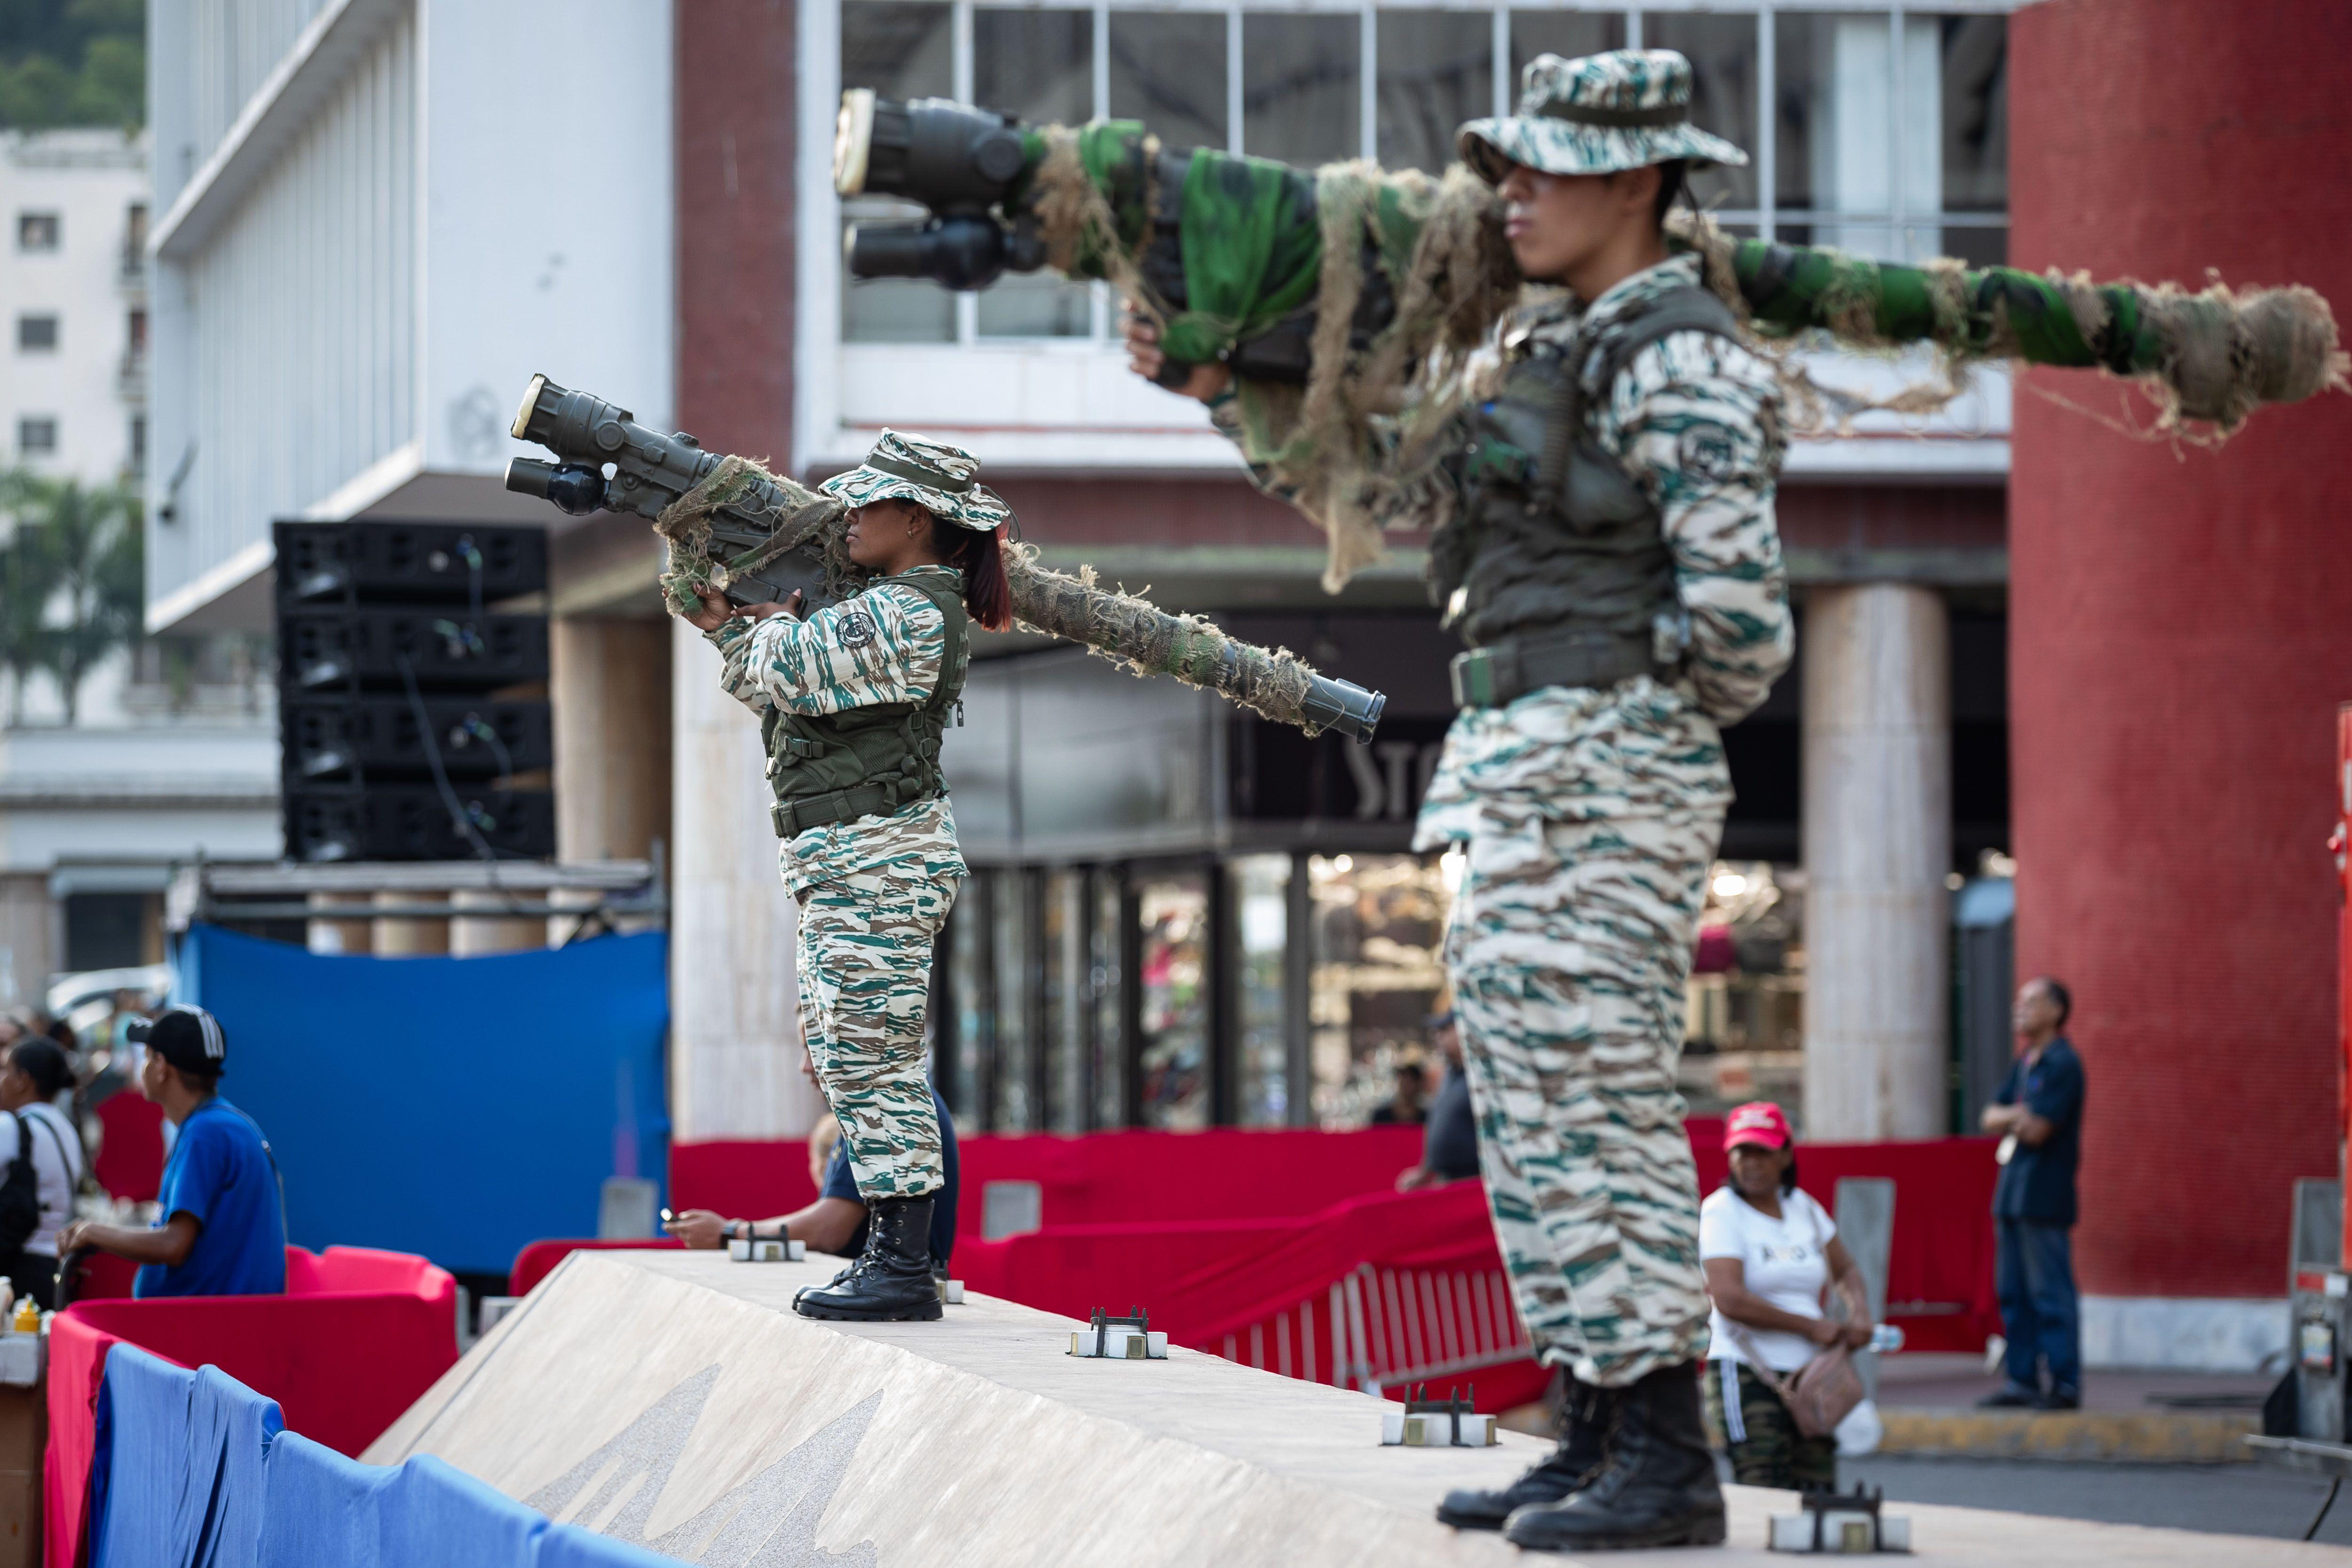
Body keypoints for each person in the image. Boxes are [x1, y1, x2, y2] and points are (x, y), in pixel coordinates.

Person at [1126, 48, 1789, 1551]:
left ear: (1633, 182)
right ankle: (1592, 1417)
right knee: (1527, 1101)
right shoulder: (1533, 347)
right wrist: (1227, 383)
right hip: (1512, 756)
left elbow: (1743, 621)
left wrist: (1614, 695)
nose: (1511, 193)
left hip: (1601, 753)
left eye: (1541, 169)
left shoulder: (1676, 354)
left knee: (1598, 1094)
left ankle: (1664, 1451)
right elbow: (1383, 491)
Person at [676, 430, 1009, 1324]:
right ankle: (894, 1256)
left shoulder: (912, 609)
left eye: (870, 504)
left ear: (916, 518)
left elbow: (785, 665)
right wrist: (725, 623)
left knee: (874, 1058)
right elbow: (776, 681)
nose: (851, 517)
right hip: (845, 855)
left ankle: (901, 1262)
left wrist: (756, 626)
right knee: (842, 1053)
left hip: (881, 857)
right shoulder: (879, 605)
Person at [57, 1005, 286, 1298]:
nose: (143, 1066)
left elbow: (174, 1246)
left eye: (148, 1056)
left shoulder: (206, 1132)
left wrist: (94, 1232)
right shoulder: (221, 1124)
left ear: (162, 1067)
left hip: (210, 1331)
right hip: (222, 1323)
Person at [1700, 1101, 1871, 1492]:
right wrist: (1812, 1326)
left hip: (1812, 1376)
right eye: (1742, 1151)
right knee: (1763, 1487)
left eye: (1763, 1151)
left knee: (1818, 1488)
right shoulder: (1721, 1212)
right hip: (1747, 1370)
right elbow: (1730, 1299)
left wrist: (1859, 1312)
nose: (1752, 1162)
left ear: (1786, 1154)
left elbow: (1845, 1269)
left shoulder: (1804, 1208)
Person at [666, 1051, 961, 1272]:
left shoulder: (882, 1103)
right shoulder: (892, 1099)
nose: (805, 1066)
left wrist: (729, 1233)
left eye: (816, 1046)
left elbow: (829, 1230)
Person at [1978, 976, 2086, 1411]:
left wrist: (2018, 1118)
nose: (2019, 1009)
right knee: (2014, 1292)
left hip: (2045, 1196)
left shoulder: (2064, 1063)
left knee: (2050, 1293)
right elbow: (1988, 1117)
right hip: (2012, 1195)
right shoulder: (2026, 1062)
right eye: (2019, 1001)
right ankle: (2021, 1380)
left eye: (2030, 1002)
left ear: (2057, 1011)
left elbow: (2039, 1130)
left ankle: (2064, 1382)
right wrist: (2017, 1115)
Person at [0, 1039, 83, 1309]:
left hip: (18, 1270)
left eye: (6, 1070)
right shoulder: (65, 1128)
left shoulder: (11, 1126)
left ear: (23, 1079)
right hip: (56, 1268)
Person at [1397, 1011, 1480, 1190]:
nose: (1437, 1036)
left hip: (1475, 1180)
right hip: (1449, 1180)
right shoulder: (1451, 1074)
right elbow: (1440, 1124)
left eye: (1444, 1030)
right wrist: (1424, 1171)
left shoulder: (1481, 1074)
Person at [1368, 1056, 1431, 1126]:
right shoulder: (1381, 1116)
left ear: (1419, 1085)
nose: (1406, 1086)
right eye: (1403, 1081)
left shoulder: (1427, 1118)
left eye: (1410, 1082)